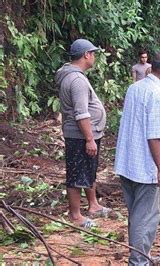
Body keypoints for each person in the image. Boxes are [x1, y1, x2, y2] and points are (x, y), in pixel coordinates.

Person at [114, 51, 160, 264]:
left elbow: (141, 119)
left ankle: (142, 254)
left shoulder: (136, 87)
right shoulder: (158, 94)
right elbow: (152, 137)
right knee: (146, 217)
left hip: (127, 162)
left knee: (136, 214)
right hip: (145, 167)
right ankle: (139, 261)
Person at [55, 39, 109, 228]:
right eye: (93, 53)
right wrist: (89, 139)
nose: (93, 57)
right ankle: (75, 215)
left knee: (88, 169)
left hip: (86, 134)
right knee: (77, 173)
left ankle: (93, 205)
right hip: (80, 136)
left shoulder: (75, 76)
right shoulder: (76, 80)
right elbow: (81, 113)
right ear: (86, 55)